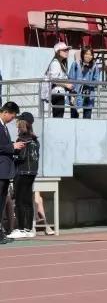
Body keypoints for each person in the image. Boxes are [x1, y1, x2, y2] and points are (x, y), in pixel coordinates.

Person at [7, 112, 39, 239]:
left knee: (19, 201)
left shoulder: (22, 139)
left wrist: (12, 154)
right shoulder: (35, 139)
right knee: (28, 201)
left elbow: (21, 157)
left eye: (18, 122)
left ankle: (20, 228)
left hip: (22, 172)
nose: (17, 125)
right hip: (32, 173)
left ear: (22, 124)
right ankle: (28, 229)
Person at [0, 102, 25, 244]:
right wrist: (12, 146)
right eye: (12, 116)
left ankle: (0, 233)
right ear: (6, 112)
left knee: (2, 203)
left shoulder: (4, 126)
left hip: (5, 171)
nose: (12, 119)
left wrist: (14, 148)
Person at [68, 46, 101, 119]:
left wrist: (87, 83)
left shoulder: (94, 66)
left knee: (87, 117)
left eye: (90, 54)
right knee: (74, 118)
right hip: (76, 94)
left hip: (88, 95)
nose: (88, 56)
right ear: (82, 54)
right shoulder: (76, 64)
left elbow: (96, 80)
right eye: (86, 54)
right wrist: (72, 92)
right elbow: (70, 78)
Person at [46, 42, 74, 118]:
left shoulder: (61, 63)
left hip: (59, 92)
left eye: (67, 50)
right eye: (64, 50)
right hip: (57, 92)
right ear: (58, 52)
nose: (67, 52)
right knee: (58, 116)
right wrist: (66, 85)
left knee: (59, 115)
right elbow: (53, 80)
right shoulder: (55, 63)